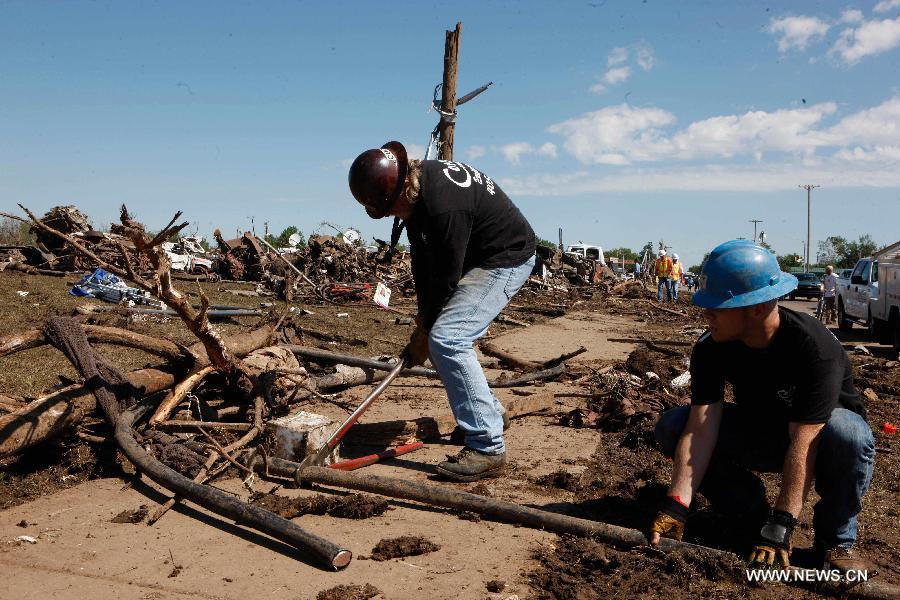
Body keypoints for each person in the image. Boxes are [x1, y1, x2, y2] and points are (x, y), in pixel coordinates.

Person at [650, 240, 874, 576]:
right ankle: (750, 513)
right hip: (762, 432)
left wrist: (781, 525)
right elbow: (701, 428)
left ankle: (835, 542)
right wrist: (677, 504)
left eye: (717, 306)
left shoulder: (813, 347)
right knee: (673, 425)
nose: (705, 314)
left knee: (850, 433)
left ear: (755, 308)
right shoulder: (712, 347)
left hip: (820, 442)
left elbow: (805, 440)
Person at [349, 141, 536, 482]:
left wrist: (427, 334)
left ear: (401, 187)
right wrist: (422, 324)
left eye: (389, 209)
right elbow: (424, 265)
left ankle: (487, 447)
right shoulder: (420, 191)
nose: (390, 215)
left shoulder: (444, 206)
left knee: (449, 339)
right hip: (480, 254)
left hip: (506, 257)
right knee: (440, 335)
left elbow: (447, 279)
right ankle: (489, 414)